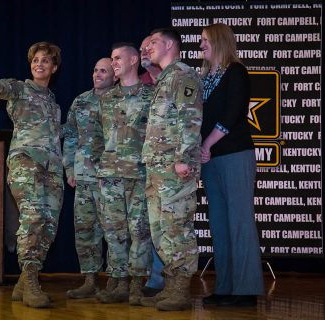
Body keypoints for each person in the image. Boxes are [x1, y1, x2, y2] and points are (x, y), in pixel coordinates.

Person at [0, 42, 63, 308]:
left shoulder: (53, 102)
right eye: (35, 60)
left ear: (54, 67)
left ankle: (23, 283)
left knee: (48, 224)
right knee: (32, 219)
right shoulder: (20, 89)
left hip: (52, 169)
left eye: (45, 61)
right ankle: (30, 281)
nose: (39, 64)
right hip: (26, 164)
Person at [198, 23, 265, 307]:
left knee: (239, 222)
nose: (201, 45)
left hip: (234, 154)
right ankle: (225, 287)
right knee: (220, 224)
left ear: (220, 41)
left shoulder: (236, 71)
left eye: (205, 40)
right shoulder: (204, 77)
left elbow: (232, 114)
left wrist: (207, 144)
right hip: (211, 159)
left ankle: (246, 289)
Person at [140, 27, 203, 311]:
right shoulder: (163, 79)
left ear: (168, 44)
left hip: (174, 168)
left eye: (153, 42)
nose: (148, 47)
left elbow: (190, 120)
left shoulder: (183, 75)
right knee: (159, 230)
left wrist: (184, 158)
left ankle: (181, 288)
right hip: (157, 168)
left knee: (177, 227)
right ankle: (171, 282)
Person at [96, 42, 153, 306]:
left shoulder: (150, 95)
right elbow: (98, 137)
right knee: (113, 231)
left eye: (118, 58)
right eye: (111, 58)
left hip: (139, 174)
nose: (113, 62)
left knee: (140, 231)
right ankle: (117, 282)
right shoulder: (106, 98)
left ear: (134, 60)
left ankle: (136, 285)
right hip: (109, 175)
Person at [63, 58, 115, 299]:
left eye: (103, 70)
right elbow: (71, 135)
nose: (97, 74)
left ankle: (116, 281)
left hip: (111, 178)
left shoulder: (119, 100)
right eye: (95, 70)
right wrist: (69, 169)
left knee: (113, 230)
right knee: (85, 230)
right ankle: (90, 279)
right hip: (83, 176)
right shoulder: (81, 100)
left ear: (115, 75)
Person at [138, 35, 165, 298]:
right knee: (146, 226)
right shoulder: (138, 84)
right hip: (140, 164)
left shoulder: (171, 79)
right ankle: (144, 275)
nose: (145, 51)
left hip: (166, 164)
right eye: (141, 48)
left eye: (149, 47)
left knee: (165, 224)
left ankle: (159, 279)